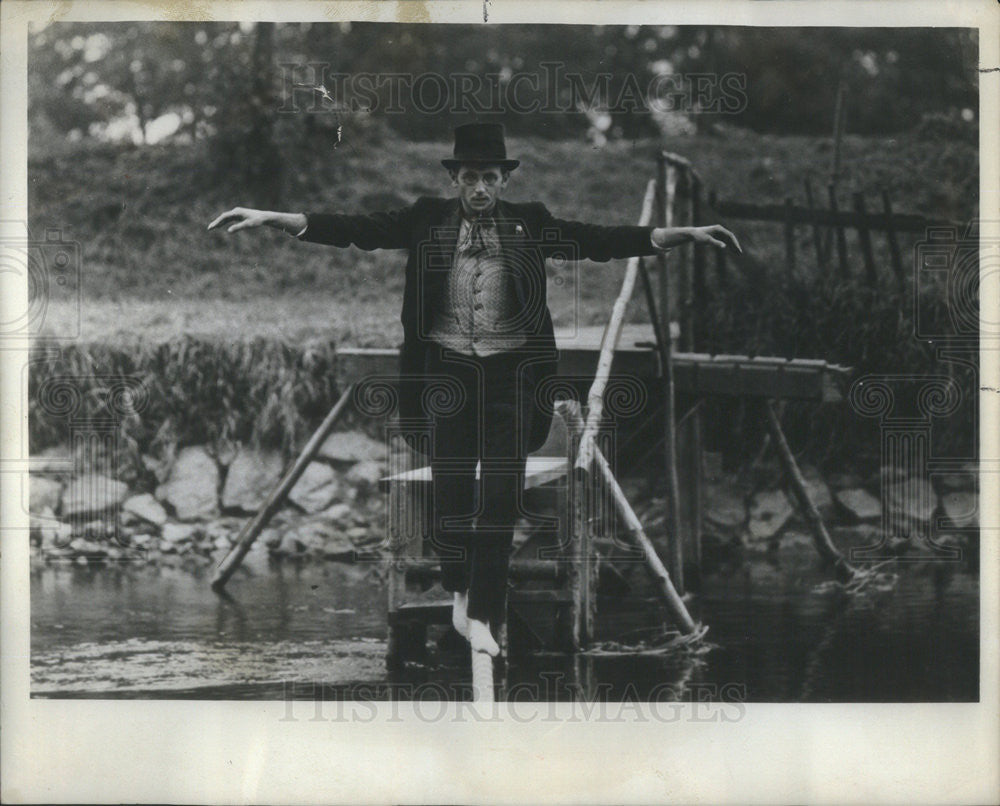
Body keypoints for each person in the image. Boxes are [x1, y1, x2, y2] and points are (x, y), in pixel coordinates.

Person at [208, 122, 740, 657]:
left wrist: (681, 235)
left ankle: (483, 613)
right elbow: (356, 228)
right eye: (470, 178)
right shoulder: (425, 219)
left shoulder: (530, 223)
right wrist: (275, 218)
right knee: (451, 495)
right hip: (446, 374)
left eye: (489, 177)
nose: (479, 188)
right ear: (457, 180)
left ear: (503, 181)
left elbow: (597, 239)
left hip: (511, 375)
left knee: (501, 498)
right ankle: (461, 589)